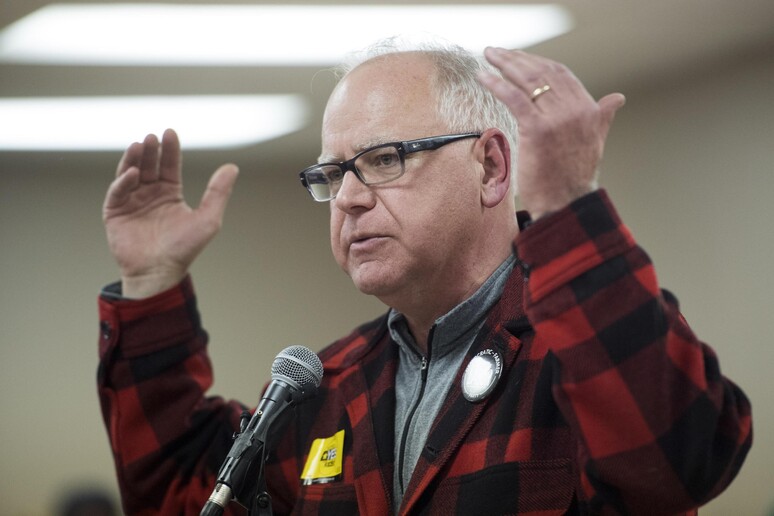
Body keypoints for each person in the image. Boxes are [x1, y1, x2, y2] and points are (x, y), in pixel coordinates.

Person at [97, 42, 752, 515]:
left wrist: (570, 206)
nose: (348, 197)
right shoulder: (324, 387)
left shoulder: (581, 351)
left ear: (492, 169)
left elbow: (681, 464)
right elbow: (186, 496)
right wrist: (151, 284)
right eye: (332, 174)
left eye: (384, 159)